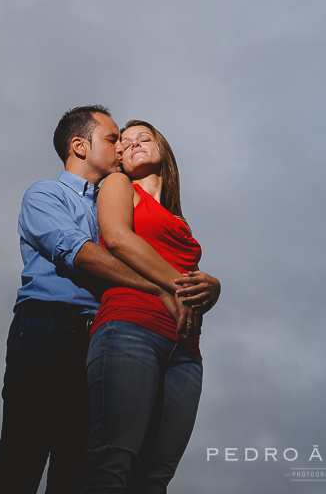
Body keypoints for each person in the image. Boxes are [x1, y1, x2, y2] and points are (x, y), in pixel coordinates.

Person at [0, 106, 187, 494]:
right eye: (113, 139)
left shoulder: (116, 202)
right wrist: (157, 287)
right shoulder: (45, 194)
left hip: (101, 340)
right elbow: (79, 253)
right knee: (23, 455)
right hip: (48, 330)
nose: (121, 148)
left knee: (77, 464)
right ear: (80, 146)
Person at [78, 120, 221, 494]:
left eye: (146, 137)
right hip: (129, 328)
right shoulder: (118, 185)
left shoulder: (180, 220)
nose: (135, 143)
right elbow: (119, 239)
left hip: (186, 350)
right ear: (119, 156)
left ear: (162, 149)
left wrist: (212, 286)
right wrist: (180, 285)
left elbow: (188, 282)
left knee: (156, 478)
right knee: (112, 462)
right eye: (125, 141)